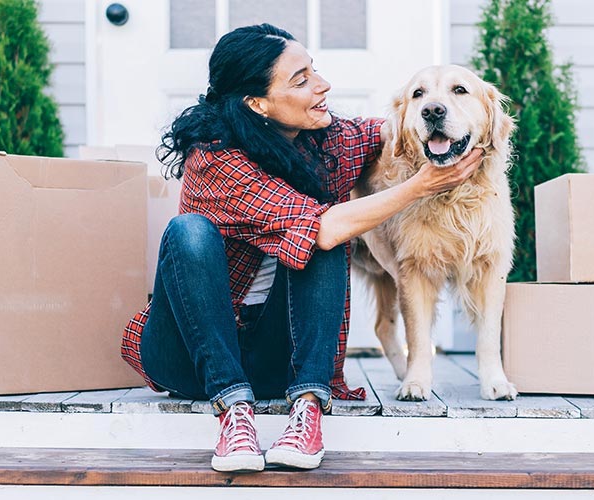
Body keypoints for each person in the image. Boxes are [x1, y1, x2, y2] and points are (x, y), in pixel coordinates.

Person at [120, 24, 483, 473]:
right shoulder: (214, 159)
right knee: (190, 232)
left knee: (325, 231)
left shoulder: (324, 140)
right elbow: (320, 227)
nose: (322, 85)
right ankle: (234, 413)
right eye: (301, 79)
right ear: (258, 104)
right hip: (189, 358)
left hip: (276, 358)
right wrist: (420, 185)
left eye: (315, 70)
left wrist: (455, 120)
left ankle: (308, 410)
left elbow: (392, 130)